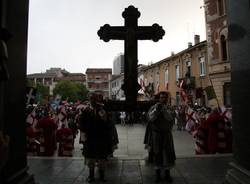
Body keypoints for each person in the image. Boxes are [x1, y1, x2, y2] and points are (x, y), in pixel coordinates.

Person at [79, 93, 113, 183]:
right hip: (90, 138)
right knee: (91, 158)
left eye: (94, 99)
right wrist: (83, 136)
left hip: (101, 137)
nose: (93, 100)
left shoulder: (102, 109)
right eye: (91, 99)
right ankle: (91, 176)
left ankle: (102, 176)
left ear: (97, 99)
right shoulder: (86, 110)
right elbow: (81, 124)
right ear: (89, 100)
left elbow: (108, 122)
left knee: (102, 157)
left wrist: (105, 117)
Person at [147, 91, 176, 182]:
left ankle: (167, 174)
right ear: (159, 98)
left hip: (166, 134)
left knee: (167, 154)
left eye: (165, 98)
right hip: (156, 135)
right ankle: (158, 175)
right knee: (157, 153)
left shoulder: (170, 108)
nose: (163, 99)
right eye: (162, 97)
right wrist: (156, 110)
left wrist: (163, 110)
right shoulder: (153, 107)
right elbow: (150, 118)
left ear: (167, 99)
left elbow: (170, 118)